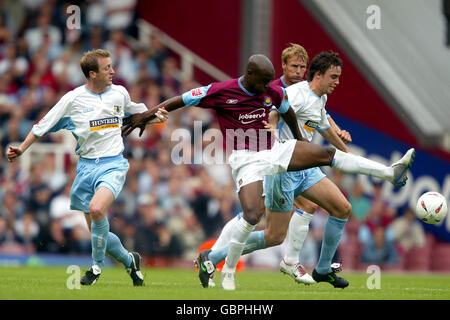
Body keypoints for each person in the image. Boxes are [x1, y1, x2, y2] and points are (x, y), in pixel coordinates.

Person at [122, 54, 415, 291]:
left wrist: (298, 138)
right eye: (263, 82)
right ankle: (218, 263)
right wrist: (147, 115)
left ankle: (390, 173)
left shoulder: (273, 91)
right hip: (245, 158)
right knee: (252, 215)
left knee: (326, 156)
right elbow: (181, 99)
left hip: (275, 150)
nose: (268, 88)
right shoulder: (221, 91)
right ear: (249, 76)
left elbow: (285, 108)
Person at [7, 49, 168, 286]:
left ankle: (95, 267)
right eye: (107, 68)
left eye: (112, 66)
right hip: (85, 169)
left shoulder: (119, 93)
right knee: (99, 232)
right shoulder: (73, 99)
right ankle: (129, 261)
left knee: (96, 208)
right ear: (92, 74)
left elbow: (137, 115)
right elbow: (43, 125)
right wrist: (22, 148)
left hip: (113, 164)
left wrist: (157, 117)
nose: (113, 71)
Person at [207, 45, 354, 287]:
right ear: (283, 66)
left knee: (301, 212)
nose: (297, 71)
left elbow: (322, 116)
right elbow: (271, 112)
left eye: (301, 67)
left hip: (297, 162)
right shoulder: (272, 89)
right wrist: (272, 128)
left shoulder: (309, 92)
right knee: (258, 218)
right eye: (293, 66)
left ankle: (294, 261)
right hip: (271, 162)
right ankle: (215, 256)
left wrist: (339, 135)